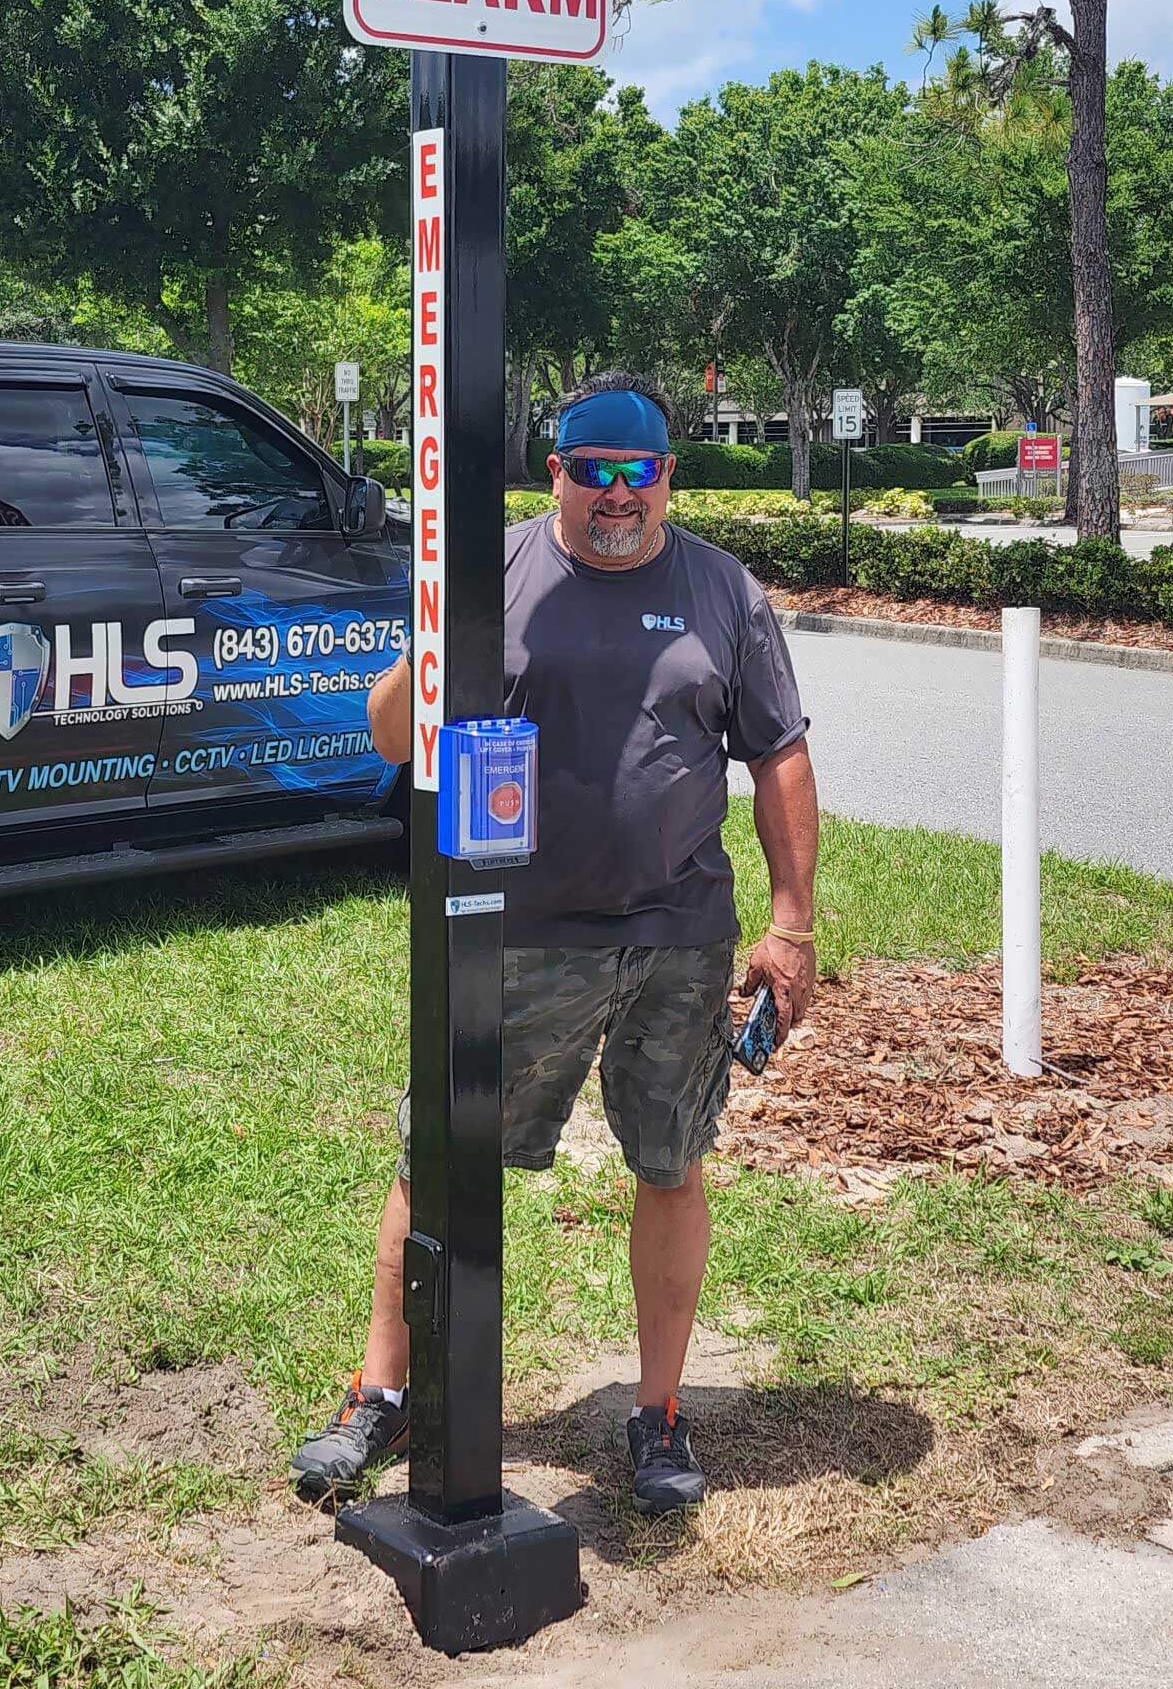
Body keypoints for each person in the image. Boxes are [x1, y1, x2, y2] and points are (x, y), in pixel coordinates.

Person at [290, 372, 817, 1515]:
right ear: (556, 475)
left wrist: (792, 920)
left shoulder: (724, 592)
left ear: (671, 473)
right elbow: (388, 731)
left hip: (678, 933)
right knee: (441, 1153)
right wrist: (429, 641)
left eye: (640, 471)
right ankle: (380, 1394)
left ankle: (659, 1410)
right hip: (516, 933)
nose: (617, 494)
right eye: (592, 471)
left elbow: (778, 753)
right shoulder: (498, 575)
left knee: (669, 1163)